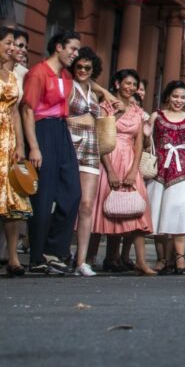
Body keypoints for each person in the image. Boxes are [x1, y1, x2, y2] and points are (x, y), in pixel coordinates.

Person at [20, 30, 81, 274]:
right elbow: (27, 110)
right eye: (72, 49)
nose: (75, 54)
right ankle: (37, 257)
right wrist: (33, 146)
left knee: (72, 192)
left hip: (62, 131)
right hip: (42, 130)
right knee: (43, 197)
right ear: (58, 46)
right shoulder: (38, 72)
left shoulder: (66, 75)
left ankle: (54, 249)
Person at [91, 69, 156, 275]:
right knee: (102, 208)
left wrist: (133, 169)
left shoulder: (137, 110)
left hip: (130, 159)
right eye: (127, 83)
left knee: (137, 211)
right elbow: (101, 139)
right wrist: (109, 170)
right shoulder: (105, 107)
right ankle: (89, 257)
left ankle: (140, 261)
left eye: (134, 85)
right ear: (117, 84)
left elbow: (139, 143)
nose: (130, 88)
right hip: (108, 156)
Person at [65, 47, 117, 276]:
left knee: (87, 204)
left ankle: (81, 260)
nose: (83, 71)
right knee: (66, 202)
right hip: (70, 140)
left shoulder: (93, 92)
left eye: (88, 67)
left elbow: (114, 106)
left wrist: (102, 91)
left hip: (91, 145)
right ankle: (60, 252)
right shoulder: (67, 86)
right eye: (79, 66)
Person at [146, 81, 185, 274]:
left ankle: (179, 258)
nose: (179, 100)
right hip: (159, 169)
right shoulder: (156, 116)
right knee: (158, 213)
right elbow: (147, 141)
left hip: (183, 169)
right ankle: (161, 258)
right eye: (175, 96)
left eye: (183, 97)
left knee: (179, 212)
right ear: (168, 96)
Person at [0, 27, 31, 276]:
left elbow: (14, 112)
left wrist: (20, 144)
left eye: (13, 43)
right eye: (8, 43)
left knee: (12, 199)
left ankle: (12, 258)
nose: (12, 48)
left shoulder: (11, 77)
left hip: (8, 141)